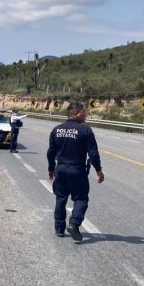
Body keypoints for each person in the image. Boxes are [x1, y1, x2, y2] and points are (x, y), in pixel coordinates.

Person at [47, 102, 105, 241]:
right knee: (81, 198)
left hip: (60, 169)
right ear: (77, 113)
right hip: (77, 170)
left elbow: (51, 152)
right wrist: (99, 170)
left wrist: (50, 168)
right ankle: (74, 223)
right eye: (84, 112)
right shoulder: (85, 130)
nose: (85, 115)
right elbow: (93, 153)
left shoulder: (57, 129)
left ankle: (59, 229)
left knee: (60, 198)